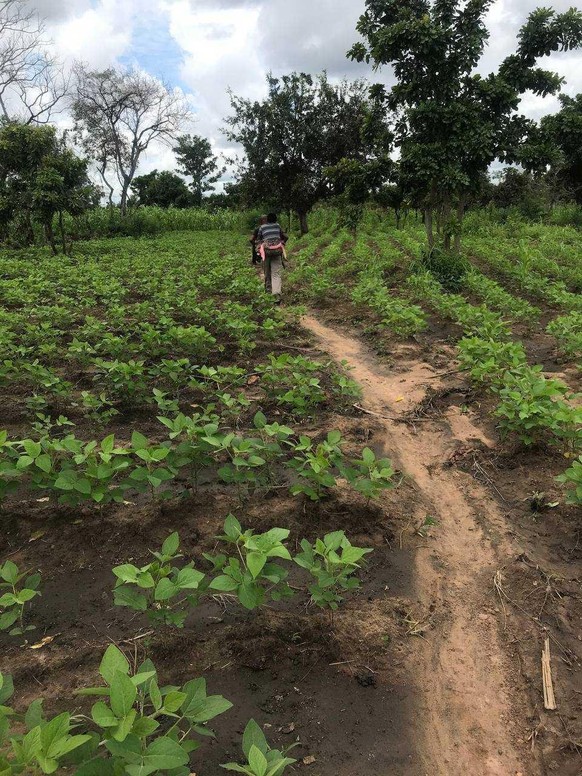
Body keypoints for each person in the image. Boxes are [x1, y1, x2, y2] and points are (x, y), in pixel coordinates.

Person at [257, 212, 288, 303]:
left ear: (267, 220)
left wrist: (260, 248)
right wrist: (282, 243)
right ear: (275, 219)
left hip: (266, 253)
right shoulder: (277, 226)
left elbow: (258, 239)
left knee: (267, 273)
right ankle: (277, 295)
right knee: (276, 273)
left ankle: (268, 293)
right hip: (277, 252)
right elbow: (285, 237)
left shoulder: (262, 227)